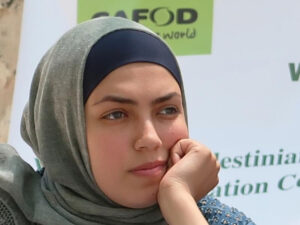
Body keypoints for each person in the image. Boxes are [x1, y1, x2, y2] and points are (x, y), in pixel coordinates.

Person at [0, 17, 255, 225]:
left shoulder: (213, 219)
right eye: (116, 114)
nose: (150, 139)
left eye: (167, 110)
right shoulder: (11, 213)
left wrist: (178, 204)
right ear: (63, 129)